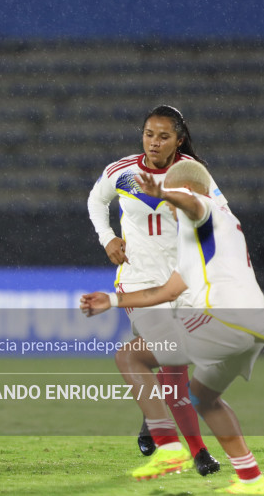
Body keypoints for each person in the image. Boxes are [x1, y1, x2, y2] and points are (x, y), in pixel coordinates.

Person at [80, 160, 264, 494]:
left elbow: (195, 202)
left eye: (172, 201)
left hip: (223, 320)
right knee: (203, 399)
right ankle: (252, 479)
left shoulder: (206, 210)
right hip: (255, 326)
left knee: (130, 358)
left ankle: (168, 446)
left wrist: (165, 192)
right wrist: (111, 301)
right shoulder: (198, 237)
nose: (168, 208)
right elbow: (167, 291)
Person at [87, 105, 223, 474]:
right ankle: (197, 454)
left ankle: (153, 424)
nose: (154, 142)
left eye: (164, 136)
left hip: (184, 285)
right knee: (174, 363)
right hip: (140, 284)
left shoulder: (192, 176)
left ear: (179, 139)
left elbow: (220, 217)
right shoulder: (122, 172)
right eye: (149, 134)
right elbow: (96, 200)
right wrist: (107, 238)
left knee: (179, 362)